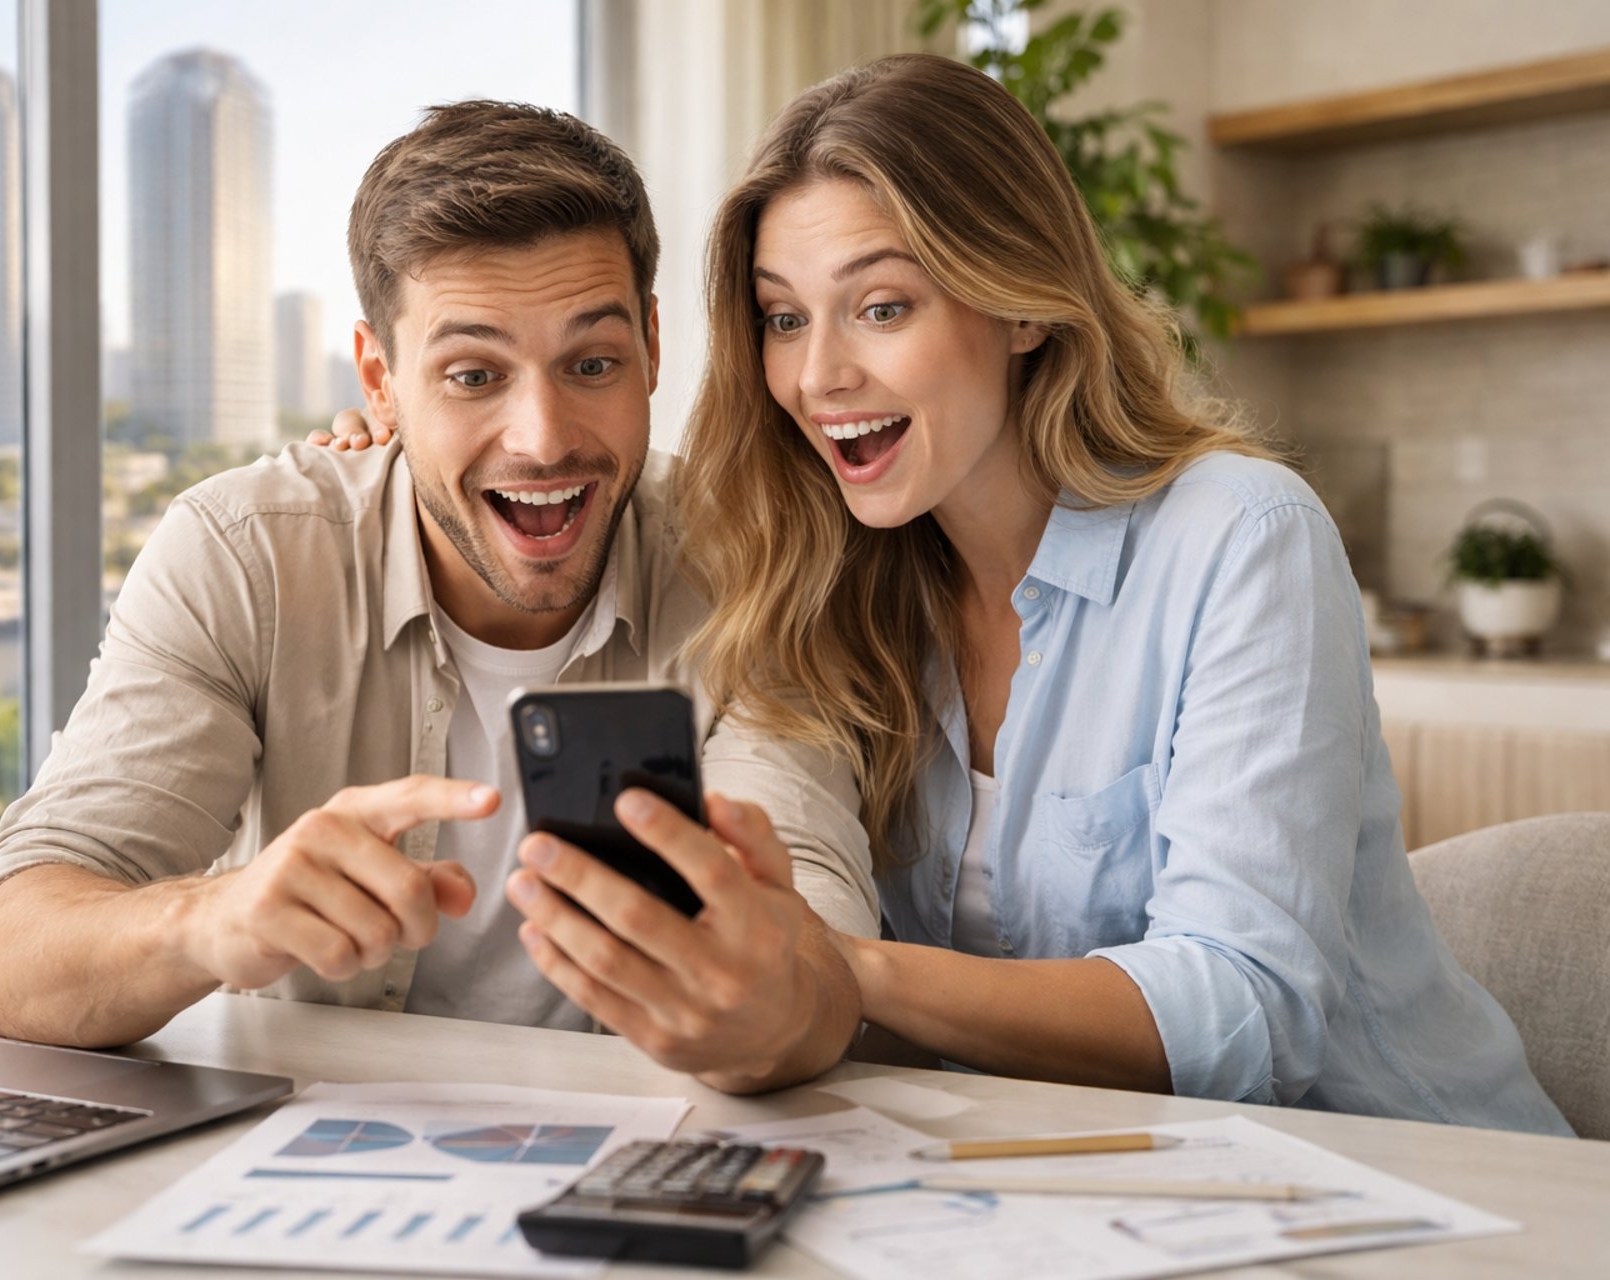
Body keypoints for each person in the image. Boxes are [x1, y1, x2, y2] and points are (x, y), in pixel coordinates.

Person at [669, 53, 1568, 1134]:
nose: (818, 376)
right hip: (1101, 1182)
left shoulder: (1243, 537)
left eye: (881, 306)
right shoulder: (841, 594)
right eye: (783, 318)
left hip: (1419, 1173)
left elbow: (1247, 1007)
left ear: (1020, 309)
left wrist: (842, 973)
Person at [0, 101, 869, 1095]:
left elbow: (822, 948)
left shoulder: (753, 564)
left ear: (651, 346)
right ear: (380, 381)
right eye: (472, 374)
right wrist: (213, 917)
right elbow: (7, 958)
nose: (542, 437)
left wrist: (771, 1006)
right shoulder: (245, 553)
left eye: (592, 363)